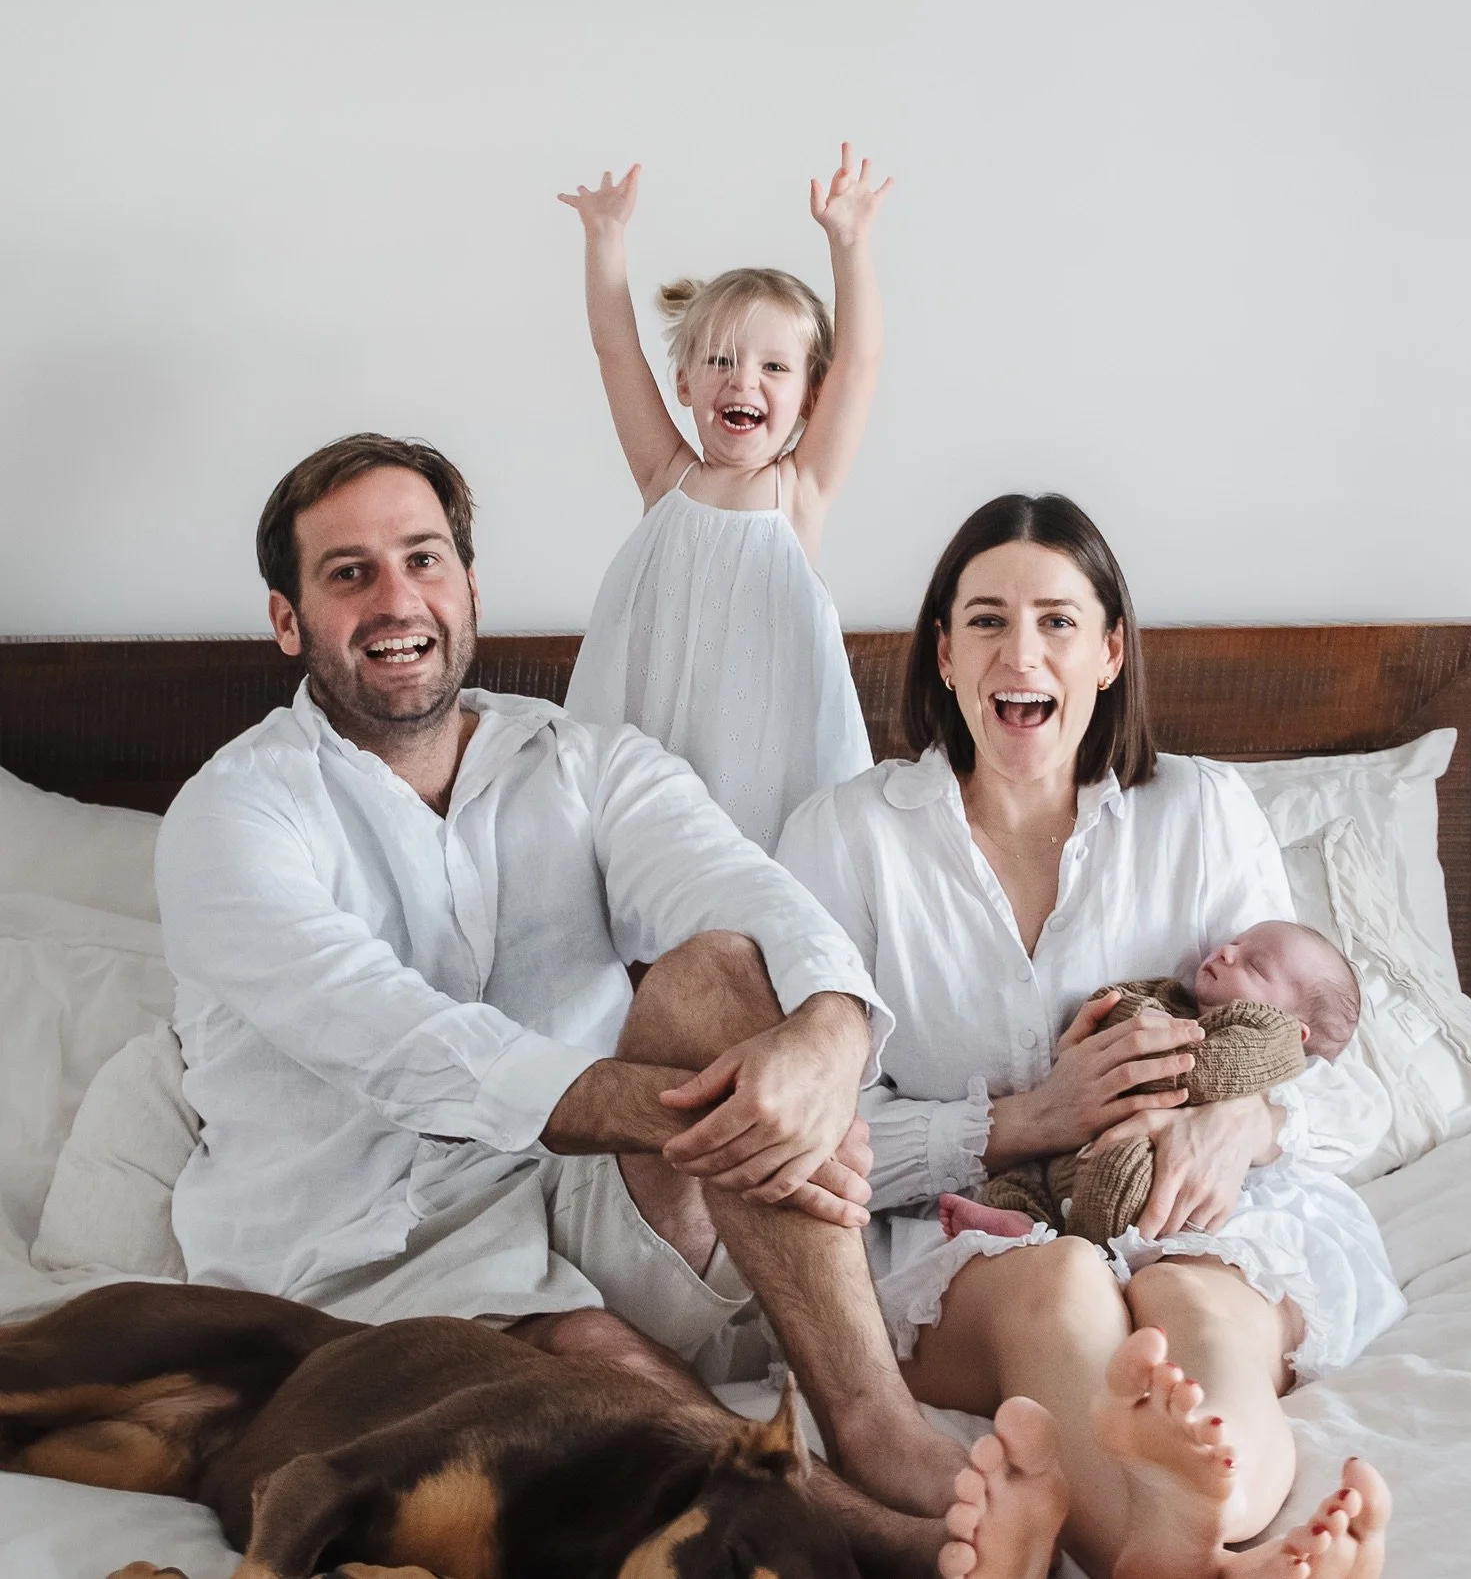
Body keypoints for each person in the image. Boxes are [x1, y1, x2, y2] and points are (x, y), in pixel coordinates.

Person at [155, 431, 1009, 1577]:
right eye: (348, 573)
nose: (396, 598)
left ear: (467, 586)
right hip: (361, 1260)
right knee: (602, 1366)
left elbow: (752, 895)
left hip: (585, 1205)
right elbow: (401, 1042)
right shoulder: (232, 818)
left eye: (423, 559)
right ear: (287, 619)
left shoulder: (583, 761)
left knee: (718, 972)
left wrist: (828, 1039)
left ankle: (875, 1423)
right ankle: (909, 1554)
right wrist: (727, 1117)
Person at [777, 493, 1404, 1579]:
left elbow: (1340, 1075)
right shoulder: (847, 838)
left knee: (1197, 1300)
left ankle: (1194, 1542)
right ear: (943, 651)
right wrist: (1019, 1123)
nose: (1021, 651)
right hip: (975, 1233)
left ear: (1110, 652)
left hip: (1193, 1202)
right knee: (1063, 1284)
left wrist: (1241, 1122)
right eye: (985, 620)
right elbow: (816, 1138)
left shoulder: (1200, 813)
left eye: (1059, 621)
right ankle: (1191, 1553)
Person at [557, 146, 885, 851]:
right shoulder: (664, 475)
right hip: (659, 748)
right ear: (684, 384)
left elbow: (860, 363)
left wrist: (848, 241)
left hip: (767, 760)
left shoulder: (798, 490)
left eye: (773, 367)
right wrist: (604, 240)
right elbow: (616, 350)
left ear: (809, 396)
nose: (743, 382)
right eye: (720, 361)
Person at [940, 920, 1374, 1246]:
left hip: (1154, 1167)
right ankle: (1020, 1224)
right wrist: (1120, 1015)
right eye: (1234, 943)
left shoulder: (1266, 1042)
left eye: (1254, 965)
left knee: (1123, 1173)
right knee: (1021, 1178)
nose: (1226, 952)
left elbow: (1200, 1069)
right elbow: (1116, 1002)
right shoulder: (1175, 999)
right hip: (1071, 1150)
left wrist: (1142, 1042)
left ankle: (1087, 1243)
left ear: (1293, 1030)